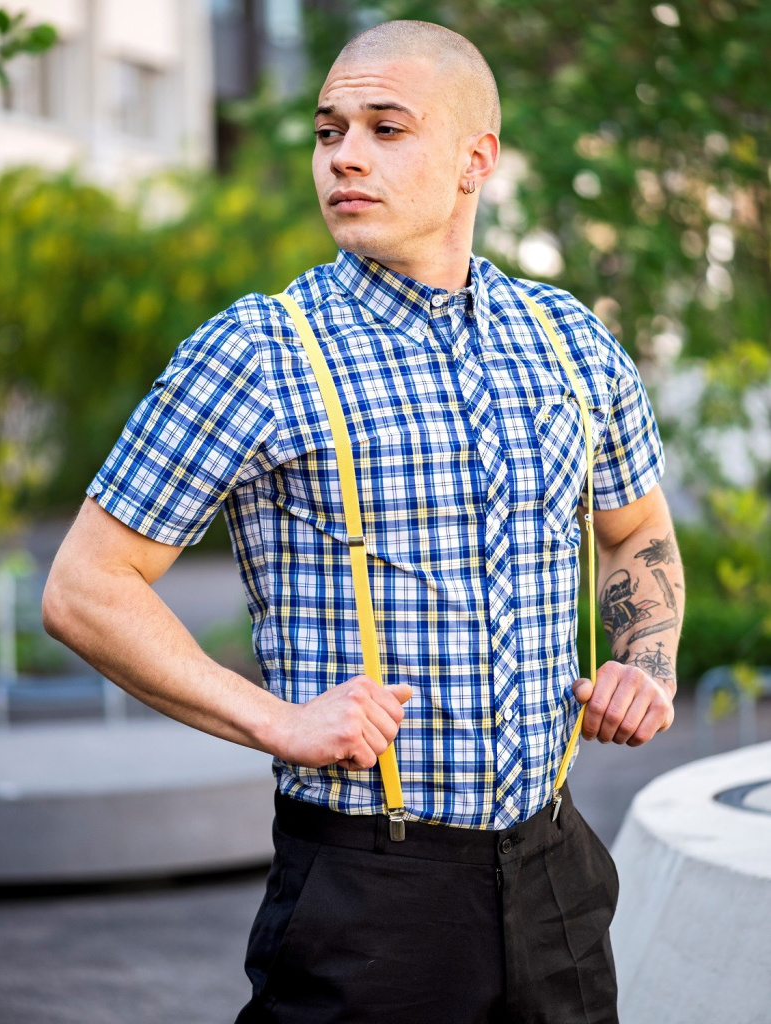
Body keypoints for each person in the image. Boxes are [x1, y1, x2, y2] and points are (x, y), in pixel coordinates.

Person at [43, 19, 685, 1024]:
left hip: (556, 875)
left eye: (386, 128)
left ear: (476, 159)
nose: (344, 155)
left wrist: (646, 661)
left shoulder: (568, 339)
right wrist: (279, 721)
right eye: (328, 129)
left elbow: (636, 524)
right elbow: (85, 588)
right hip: (367, 894)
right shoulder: (259, 351)